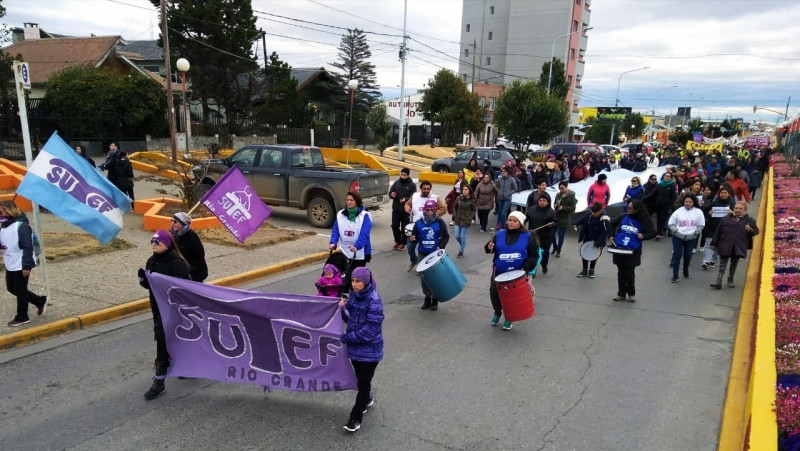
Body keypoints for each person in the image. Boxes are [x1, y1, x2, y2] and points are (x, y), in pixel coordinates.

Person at [138, 230, 191, 400]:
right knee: (166, 342)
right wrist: (143, 279)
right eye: (152, 241)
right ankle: (178, 370)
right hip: (158, 311)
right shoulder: (151, 261)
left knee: (165, 344)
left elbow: (184, 289)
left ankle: (159, 382)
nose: (153, 244)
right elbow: (149, 286)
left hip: (174, 312)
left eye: (157, 241)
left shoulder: (177, 264)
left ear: (167, 243)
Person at [338, 266, 384, 433]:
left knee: (363, 383)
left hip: (370, 352)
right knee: (360, 379)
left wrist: (346, 338)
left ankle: (355, 419)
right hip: (355, 349)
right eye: (352, 280)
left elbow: (369, 332)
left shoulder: (374, 301)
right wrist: (343, 307)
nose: (354, 284)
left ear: (366, 282)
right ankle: (367, 398)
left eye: (358, 281)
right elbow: (346, 318)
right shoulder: (354, 297)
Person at [484, 211, 541, 331]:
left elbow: (534, 255)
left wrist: (526, 267)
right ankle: (497, 312)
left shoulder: (528, 236)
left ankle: (509, 318)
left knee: (511, 299)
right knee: (494, 295)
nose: (511, 222)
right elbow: (490, 249)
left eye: (514, 221)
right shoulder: (499, 234)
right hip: (498, 272)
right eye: (510, 220)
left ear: (520, 223)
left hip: (517, 275)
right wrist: (489, 247)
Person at [0, 200, 47, 327]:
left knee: (20, 291)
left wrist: (26, 266)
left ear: (9, 211)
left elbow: (27, 247)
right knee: (12, 288)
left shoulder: (22, 227)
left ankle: (22, 317)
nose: (0, 214)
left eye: (1, 212)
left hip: (20, 263)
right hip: (10, 262)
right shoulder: (4, 226)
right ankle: (40, 300)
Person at [609, 199, 656, 302]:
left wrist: (643, 236)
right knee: (621, 272)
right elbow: (612, 223)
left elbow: (653, 233)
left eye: (630, 208)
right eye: (627, 206)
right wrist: (611, 235)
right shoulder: (623, 216)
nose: (627, 208)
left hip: (633, 250)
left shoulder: (643, 220)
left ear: (636, 210)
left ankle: (631, 293)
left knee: (629, 272)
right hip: (620, 248)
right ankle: (621, 294)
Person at [409, 199, 450, 310]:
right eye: (428, 210)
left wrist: (440, 247)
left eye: (432, 210)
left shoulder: (440, 222)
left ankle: (435, 299)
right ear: (424, 210)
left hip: (435, 255)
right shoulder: (419, 222)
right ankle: (427, 298)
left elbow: (446, 236)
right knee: (424, 278)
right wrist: (413, 239)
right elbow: (414, 237)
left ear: (435, 210)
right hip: (422, 253)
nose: (430, 212)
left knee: (435, 277)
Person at [330, 191, 373, 296]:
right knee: (344, 276)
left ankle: (358, 295)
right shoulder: (340, 214)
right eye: (347, 200)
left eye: (351, 200)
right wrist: (333, 242)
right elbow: (336, 229)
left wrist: (357, 246)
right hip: (344, 250)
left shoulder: (365, 216)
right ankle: (343, 295)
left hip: (359, 252)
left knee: (356, 277)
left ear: (357, 202)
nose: (348, 202)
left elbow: (364, 234)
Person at [710, 202, 759, 289]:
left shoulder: (749, 220)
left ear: (745, 210)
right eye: (736, 208)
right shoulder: (726, 218)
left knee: (734, 264)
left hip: (738, 246)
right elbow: (718, 231)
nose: (737, 210)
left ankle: (730, 279)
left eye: (740, 209)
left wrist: (750, 229)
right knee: (722, 264)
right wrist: (714, 243)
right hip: (725, 244)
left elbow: (756, 231)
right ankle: (719, 281)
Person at [404, 181, 446, 271]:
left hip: (430, 227)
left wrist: (433, 215)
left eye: (428, 189)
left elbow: (443, 208)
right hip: (416, 226)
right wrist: (407, 208)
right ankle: (413, 260)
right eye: (424, 189)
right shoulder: (415, 196)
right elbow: (407, 204)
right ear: (421, 189)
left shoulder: (435, 198)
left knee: (426, 247)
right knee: (410, 246)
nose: (426, 190)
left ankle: (427, 267)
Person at [667, 194, 705, 283]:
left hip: (691, 238)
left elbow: (701, 224)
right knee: (677, 256)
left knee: (687, 256)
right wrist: (677, 233)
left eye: (690, 202)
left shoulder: (698, 212)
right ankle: (675, 276)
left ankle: (685, 269)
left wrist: (695, 233)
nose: (688, 203)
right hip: (678, 237)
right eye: (686, 202)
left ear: (693, 202)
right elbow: (671, 224)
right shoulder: (678, 211)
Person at [700, 185, 735, 270]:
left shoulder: (732, 203)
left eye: (725, 193)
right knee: (709, 244)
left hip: (724, 228)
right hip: (712, 227)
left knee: (717, 245)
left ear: (729, 194)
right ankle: (706, 261)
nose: (723, 194)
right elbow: (705, 212)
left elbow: (737, 216)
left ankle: (713, 260)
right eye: (721, 193)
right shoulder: (714, 202)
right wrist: (709, 213)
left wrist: (732, 213)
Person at [573, 202, 610, 278]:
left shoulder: (605, 218)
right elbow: (583, 219)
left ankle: (591, 270)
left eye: (595, 213)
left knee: (594, 254)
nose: (593, 214)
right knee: (585, 253)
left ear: (600, 211)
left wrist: (598, 242)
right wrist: (576, 223)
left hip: (598, 238)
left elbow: (605, 232)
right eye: (592, 212)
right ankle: (584, 270)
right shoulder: (589, 213)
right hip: (588, 237)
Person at [169, 212, 208, 282]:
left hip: (194, 274)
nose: (172, 223)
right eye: (171, 220)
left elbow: (199, 256)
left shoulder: (192, 237)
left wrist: (189, 270)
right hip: (179, 271)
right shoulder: (172, 234)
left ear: (182, 224)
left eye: (175, 222)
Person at [525, 195, 556, 274]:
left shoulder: (551, 212)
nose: (542, 202)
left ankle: (544, 266)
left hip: (545, 237)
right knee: (532, 254)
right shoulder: (531, 210)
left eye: (544, 201)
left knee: (544, 254)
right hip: (533, 236)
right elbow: (525, 219)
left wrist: (552, 224)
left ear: (547, 202)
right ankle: (533, 269)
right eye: (540, 200)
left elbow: (556, 222)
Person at [388, 168, 416, 251]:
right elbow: (390, 192)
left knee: (404, 227)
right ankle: (397, 240)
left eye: (404, 175)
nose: (402, 176)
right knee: (394, 225)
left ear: (408, 175)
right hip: (396, 209)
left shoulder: (412, 185)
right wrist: (391, 194)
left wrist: (406, 199)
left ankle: (403, 243)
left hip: (406, 210)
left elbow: (413, 197)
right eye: (401, 174)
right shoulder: (396, 183)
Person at [552, 181, 577, 258]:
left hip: (565, 218)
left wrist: (563, 208)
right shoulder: (558, 194)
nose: (561, 190)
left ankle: (558, 250)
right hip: (557, 216)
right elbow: (555, 203)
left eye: (562, 188)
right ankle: (555, 246)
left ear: (566, 187)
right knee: (552, 233)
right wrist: (556, 206)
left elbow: (573, 207)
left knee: (561, 235)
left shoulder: (571, 195)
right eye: (560, 188)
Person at [452, 184, 477, 258]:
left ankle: (461, 251)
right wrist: (455, 215)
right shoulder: (458, 198)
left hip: (466, 221)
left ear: (469, 191)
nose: (464, 191)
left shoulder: (472, 200)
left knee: (463, 237)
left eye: (466, 189)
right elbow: (454, 207)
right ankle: (462, 245)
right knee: (457, 236)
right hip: (458, 220)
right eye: (463, 189)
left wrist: (470, 217)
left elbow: (474, 210)